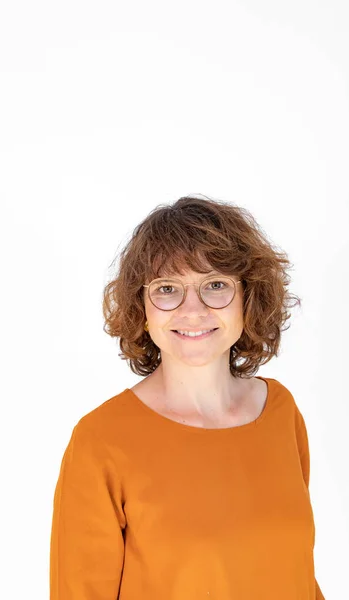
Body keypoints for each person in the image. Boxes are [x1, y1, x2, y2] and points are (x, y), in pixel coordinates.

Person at [49, 194, 326, 599]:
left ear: (248, 297)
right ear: (142, 306)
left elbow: (300, 578)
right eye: (167, 288)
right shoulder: (101, 441)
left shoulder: (281, 412)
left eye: (215, 285)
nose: (192, 310)